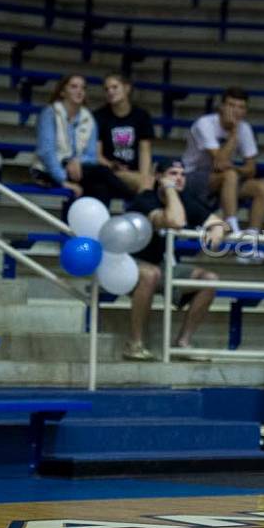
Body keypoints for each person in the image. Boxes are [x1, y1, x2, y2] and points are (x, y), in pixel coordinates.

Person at [122, 160, 224, 362]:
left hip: (160, 265)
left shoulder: (185, 199)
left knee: (209, 279)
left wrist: (217, 230)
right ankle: (134, 343)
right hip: (127, 262)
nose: (179, 178)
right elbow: (175, 221)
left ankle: (183, 343)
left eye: (182, 174)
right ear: (159, 177)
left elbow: (217, 222)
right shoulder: (145, 200)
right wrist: (169, 190)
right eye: (173, 173)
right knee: (151, 274)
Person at [181, 87, 264, 262]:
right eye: (231, 105)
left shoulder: (245, 128)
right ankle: (234, 231)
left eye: (240, 107)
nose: (235, 111)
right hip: (191, 179)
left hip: (223, 181)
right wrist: (233, 134)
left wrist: (235, 168)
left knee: (262, 187)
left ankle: (249, 243)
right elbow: (220, 163)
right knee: (229, 174)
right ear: (221, 107)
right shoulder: (205, 124)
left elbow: (251, 168)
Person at [31, 74, 134, 206]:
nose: (79, 91)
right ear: (62, 92)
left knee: (101, 188)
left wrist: (76, 161)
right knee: (102, 172)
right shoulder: (50, 113)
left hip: (80, 171)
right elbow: (46, 152)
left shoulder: (89, 118)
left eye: (83, 88)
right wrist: (63, 180)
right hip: (49, 171)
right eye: (74, 87)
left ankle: (97, 225)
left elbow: (91, 156)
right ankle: (133, 198)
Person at [93, 73, 154, 194]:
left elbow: (145, 151)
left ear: (127, 88)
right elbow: (96, 155)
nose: (110, 92)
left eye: (115, 87)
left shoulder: (141, 116)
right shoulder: (99, 116)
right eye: (106, 89)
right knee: (146, 184)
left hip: (135, 172)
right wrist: (111, 165)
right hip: (110, 171)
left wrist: (144, 175)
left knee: (150, 181)